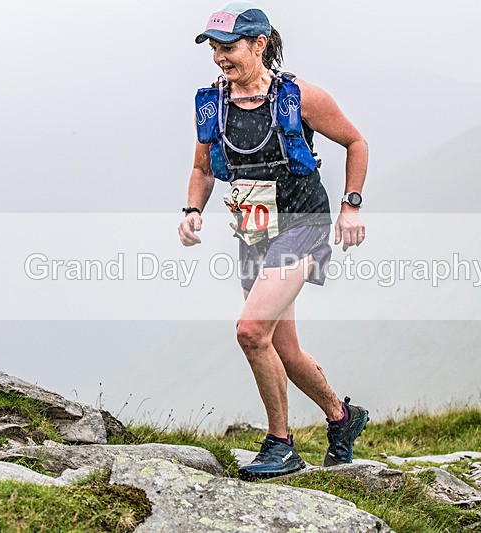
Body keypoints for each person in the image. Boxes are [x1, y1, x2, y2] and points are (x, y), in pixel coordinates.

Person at [178, 1, 370, 481]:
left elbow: (356, 142)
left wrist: (351, 206)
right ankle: (343, 419)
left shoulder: (299, 96)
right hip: (254, 231)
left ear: (259, 45)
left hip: (303, 225)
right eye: (215, 49)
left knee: (249, 331)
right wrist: (192, 211)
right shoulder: (212, 104)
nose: (221, 58)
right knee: (284, 350)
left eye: (230, 47)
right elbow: (202, 168)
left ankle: (280, 444)